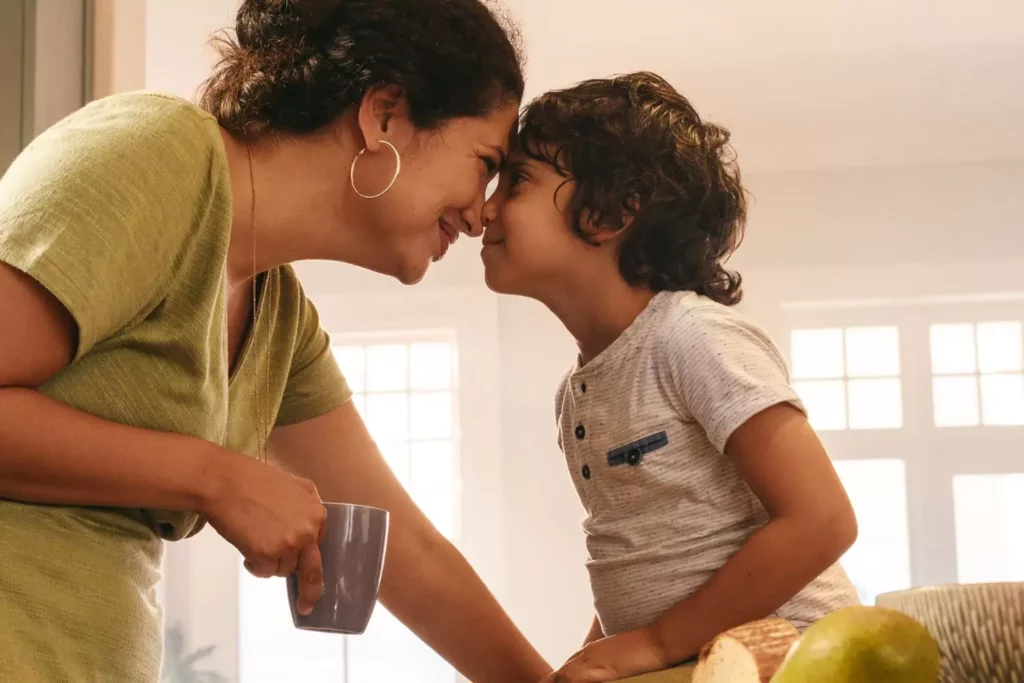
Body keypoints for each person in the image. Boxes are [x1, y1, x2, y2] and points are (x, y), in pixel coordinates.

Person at [0, 1, 552, 681]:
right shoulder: (160, 156)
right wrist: (216, 477)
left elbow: (411, 554)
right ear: (384, 115)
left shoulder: (281, 321)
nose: (479, 215)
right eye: (484, 162)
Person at [479, 72, 861, 682]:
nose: (484, 207)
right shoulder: (577, 394)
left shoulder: (692, 337)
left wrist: (655, 644)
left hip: (792, 660)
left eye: (517, 180)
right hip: (693, 661)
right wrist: (602, 655)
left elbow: (823, 519)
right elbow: (643, 557)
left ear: (610, 213)